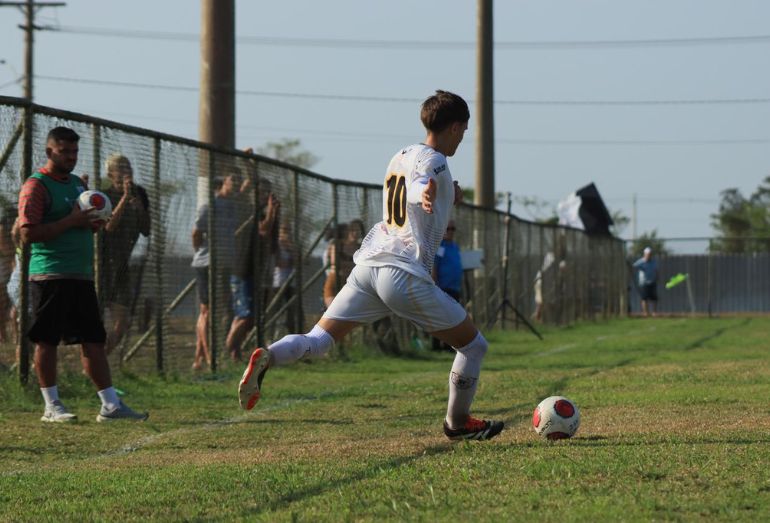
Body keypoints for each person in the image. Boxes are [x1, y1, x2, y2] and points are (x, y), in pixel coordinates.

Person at [238, 90, 504, 441]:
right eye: (464, 131)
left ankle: (269, 356)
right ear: (455, 127)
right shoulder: (435, 161)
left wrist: (444, 193)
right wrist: (426, 191)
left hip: (369, 267)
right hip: (402, 273)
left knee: (319, 340)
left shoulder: (401, 154)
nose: (463, 137)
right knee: (474, 346)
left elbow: (417, 184)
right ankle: (457, 423)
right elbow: (420, 183)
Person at [17, 126, 147, 422]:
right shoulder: (36, 186)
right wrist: (72, 220)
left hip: (82, 277)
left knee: (93, 340)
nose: (71, 157)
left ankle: (111, 406)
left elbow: (82, 223)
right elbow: (28, 233)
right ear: (50, 152)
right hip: (49, 276)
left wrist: (92, 222)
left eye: (75, 152)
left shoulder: (77, 184)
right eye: (65, 152)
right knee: (47, 341)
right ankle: (52, 406)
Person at [224, 176, 279, 362]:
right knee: (246, 315)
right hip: (242, 270)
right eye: (261, 191)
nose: (264, 195)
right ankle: (227, 350)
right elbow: (264, 230)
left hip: (256, 272)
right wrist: (272, 211)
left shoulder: (264, 212)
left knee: (246, 316)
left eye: (267, 192)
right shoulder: (247, 209)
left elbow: (270, 240)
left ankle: (234, 353)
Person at [100, 154, 151, 354]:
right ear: (111, 174)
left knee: (123, 322)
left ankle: (102, 358)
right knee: (93, 325)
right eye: (121, 168)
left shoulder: (140, 194)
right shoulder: (105, 195)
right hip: (101, 264)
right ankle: (93, 365)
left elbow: (146, 230)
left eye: (128, 167)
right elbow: (109, 226)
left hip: (122, 265)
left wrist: (139, 207)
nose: (126, 172)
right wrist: (124, 199)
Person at [190, 171, 239, 370]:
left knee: (217, 310)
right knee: (207, 311)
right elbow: (196, 233)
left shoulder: (234, 206)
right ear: (222, 184)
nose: (236, 184)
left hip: (225, 264)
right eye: (233, 179)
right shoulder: (210, 205)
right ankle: (210, 359)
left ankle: (198, 359)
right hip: (207, 263)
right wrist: (203, 253)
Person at [431, 220, 463, 351]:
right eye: (448, 229)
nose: (450, 232)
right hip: (442, 287)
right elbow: (434, 267)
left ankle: (450, 345)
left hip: (454, 287)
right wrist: (435, 285)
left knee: (453, 317)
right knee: (440, 316)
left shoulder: (455, 247)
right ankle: (437, 345)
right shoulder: (440, 246)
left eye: (452, 229)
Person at [633, 246, 658, 317]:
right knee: (644, 298)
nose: (648, 256)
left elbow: (656, 270)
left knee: (654, 298)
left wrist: (657, 278)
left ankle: (654, 312)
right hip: (643, 283)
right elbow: (633, 266)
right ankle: (645, 313)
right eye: (647, 254)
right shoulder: (640, 262)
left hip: (652, 281)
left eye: (650, 254)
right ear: (644, 254)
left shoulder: (653, 262)